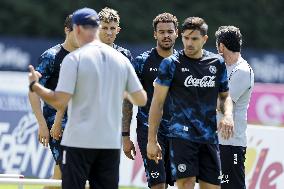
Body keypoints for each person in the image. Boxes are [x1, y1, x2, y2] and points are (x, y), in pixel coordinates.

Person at [28, 7, 147, 189]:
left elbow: (62, 99)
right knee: (62, 173)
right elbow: (140, 99)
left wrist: (35, 86)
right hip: (105, 139)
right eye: (104, 27)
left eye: (112, 28)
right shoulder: (121, 59)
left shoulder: (76, 58)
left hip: (78, 138)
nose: (108, 32)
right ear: (97, 28)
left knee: (64, 177)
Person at [147, 17, 234, 189]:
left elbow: (225, 97)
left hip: (209, 137)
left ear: (205, 39)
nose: (189, 43)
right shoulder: (170, 64)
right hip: (181, 136)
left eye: (194, 39)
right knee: (186, 184)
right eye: (186, 38)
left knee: (212, 187)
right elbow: (157, 103)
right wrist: (151, 140)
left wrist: (228, 115)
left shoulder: (217, 63)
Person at [122, 13, 178, 189]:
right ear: (155, 34)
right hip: (149, 132)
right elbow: (127, 100)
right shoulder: (142, 62)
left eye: (170, 31)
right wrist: (125, 136)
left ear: (177, 33)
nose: (166, 35)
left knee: (185, 183)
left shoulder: (184, 62)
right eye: (161, 32)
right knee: (158, 184)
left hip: (180, 133)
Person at [28, 14, 78, 189]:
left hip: (82, 123)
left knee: (61, 176)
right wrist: (42, 124)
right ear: (67, 30)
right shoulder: (51, 56)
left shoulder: (87, 56)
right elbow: (33, 90)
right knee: (69, 173)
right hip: (58, 125)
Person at [215, 26, 254, 189]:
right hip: (216, 141)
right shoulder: (222, 67)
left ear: (221, 46)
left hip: (231, 143)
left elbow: (221, 103)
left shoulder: (242, 71)